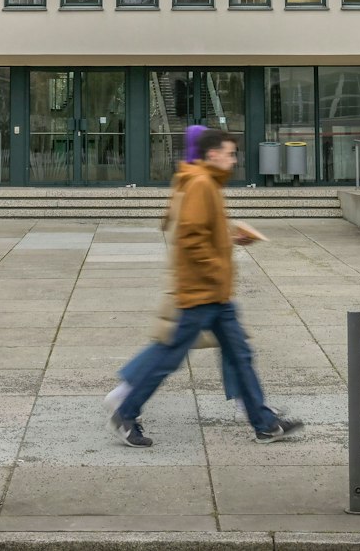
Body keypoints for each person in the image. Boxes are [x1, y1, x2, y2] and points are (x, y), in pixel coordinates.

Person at [107, 129, 302, 447]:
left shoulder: (208, 183)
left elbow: (205, 233)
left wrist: (230, 238)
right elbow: (191, 238)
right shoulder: (201, 184)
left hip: (216, 293)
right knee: (169, 355)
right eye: (230, 153)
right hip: (201, 292)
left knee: (239, 354)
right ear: (213, 154)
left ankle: (265, 424)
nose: (234, 159)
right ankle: (125, 413)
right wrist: (214, 270)